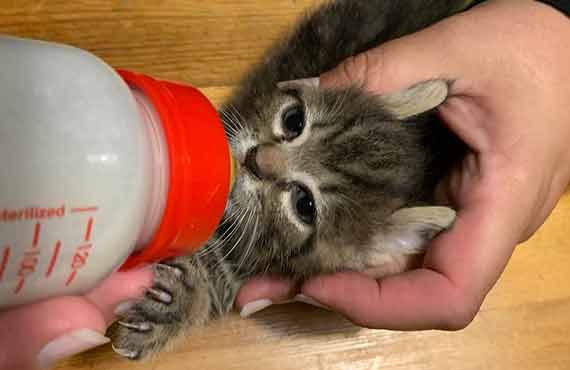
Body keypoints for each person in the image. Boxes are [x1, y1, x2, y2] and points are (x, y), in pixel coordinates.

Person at [1, 0, 569, 369]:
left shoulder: (352, 237)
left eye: (302, 201)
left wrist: (195, 294)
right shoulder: (346, 65)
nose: (266, 161)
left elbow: (243, 268)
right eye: (293, 126)